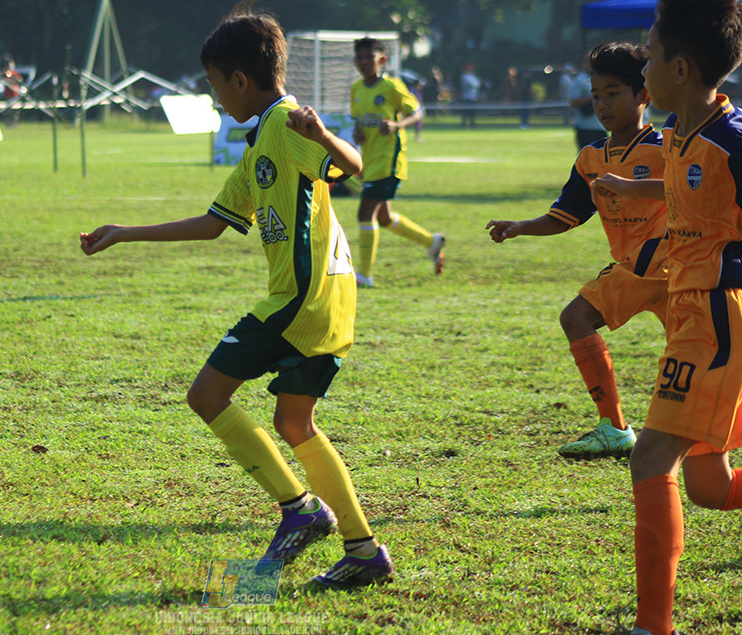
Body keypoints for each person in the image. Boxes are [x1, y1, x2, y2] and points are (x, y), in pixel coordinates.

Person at [80, 3, 393, 590]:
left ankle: (299, 510)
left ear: (240, 80)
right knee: (295, 421)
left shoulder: (284, 124)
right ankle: (364, 551)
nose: (216, 97)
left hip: (302, 297)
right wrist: (125, 233)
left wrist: (323, 133)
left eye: (215, 85)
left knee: (206, 393)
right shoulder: (259, 145)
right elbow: (214, 221)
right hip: (327, 295)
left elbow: (351, 167)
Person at [575, 1, 742, 635]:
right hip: (692, 316)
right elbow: (678, 189)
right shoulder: (679, 132)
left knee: (649, 458)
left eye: (647, 56)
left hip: (717, 319)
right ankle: (656, 634)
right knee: (708, 487)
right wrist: (626, 184)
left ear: (678, 67)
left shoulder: (732, 141)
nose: (641, 66)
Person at [487, 42, 667, 460]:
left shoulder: (666, 148)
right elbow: (569, 213)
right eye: (596, 95)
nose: (602, 104)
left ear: (644, 95)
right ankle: (617, 427)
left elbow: (693, 190)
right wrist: (521, 228)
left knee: (577, 317)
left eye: (613, 93)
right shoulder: (591, 159)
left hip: (664, 265)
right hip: (638, 269)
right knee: (702, 356)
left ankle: (617, 427)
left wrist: (630, 187)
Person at [350, 37, 445, 287]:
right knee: (384, 218)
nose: (363, 62)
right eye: (359, 58)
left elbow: (417, 112)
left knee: (364, 212)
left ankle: (365, 275)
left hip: (389, 162)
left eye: (369, 57)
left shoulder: (392, 87)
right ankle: (431, 242)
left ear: (382, 60)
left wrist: (397, 125)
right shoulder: (356, 90)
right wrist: (357, 133)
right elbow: (360, 125)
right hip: (370, 161)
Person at [569, 50, 608, 149]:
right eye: (587, 61)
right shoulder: (579, 80)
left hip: (600, 126)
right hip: (585, 127)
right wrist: (594, 98)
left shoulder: (602, 78)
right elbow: (573, 101)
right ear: (582, 63)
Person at [459, 63, 480, 128]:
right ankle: (463, 123)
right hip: (466, 96)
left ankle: (472, 123)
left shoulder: (473, 76)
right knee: (465, 111)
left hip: (473, 96)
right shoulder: (464, 76)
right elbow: (473, 84)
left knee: (472, 111)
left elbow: (478, 84)